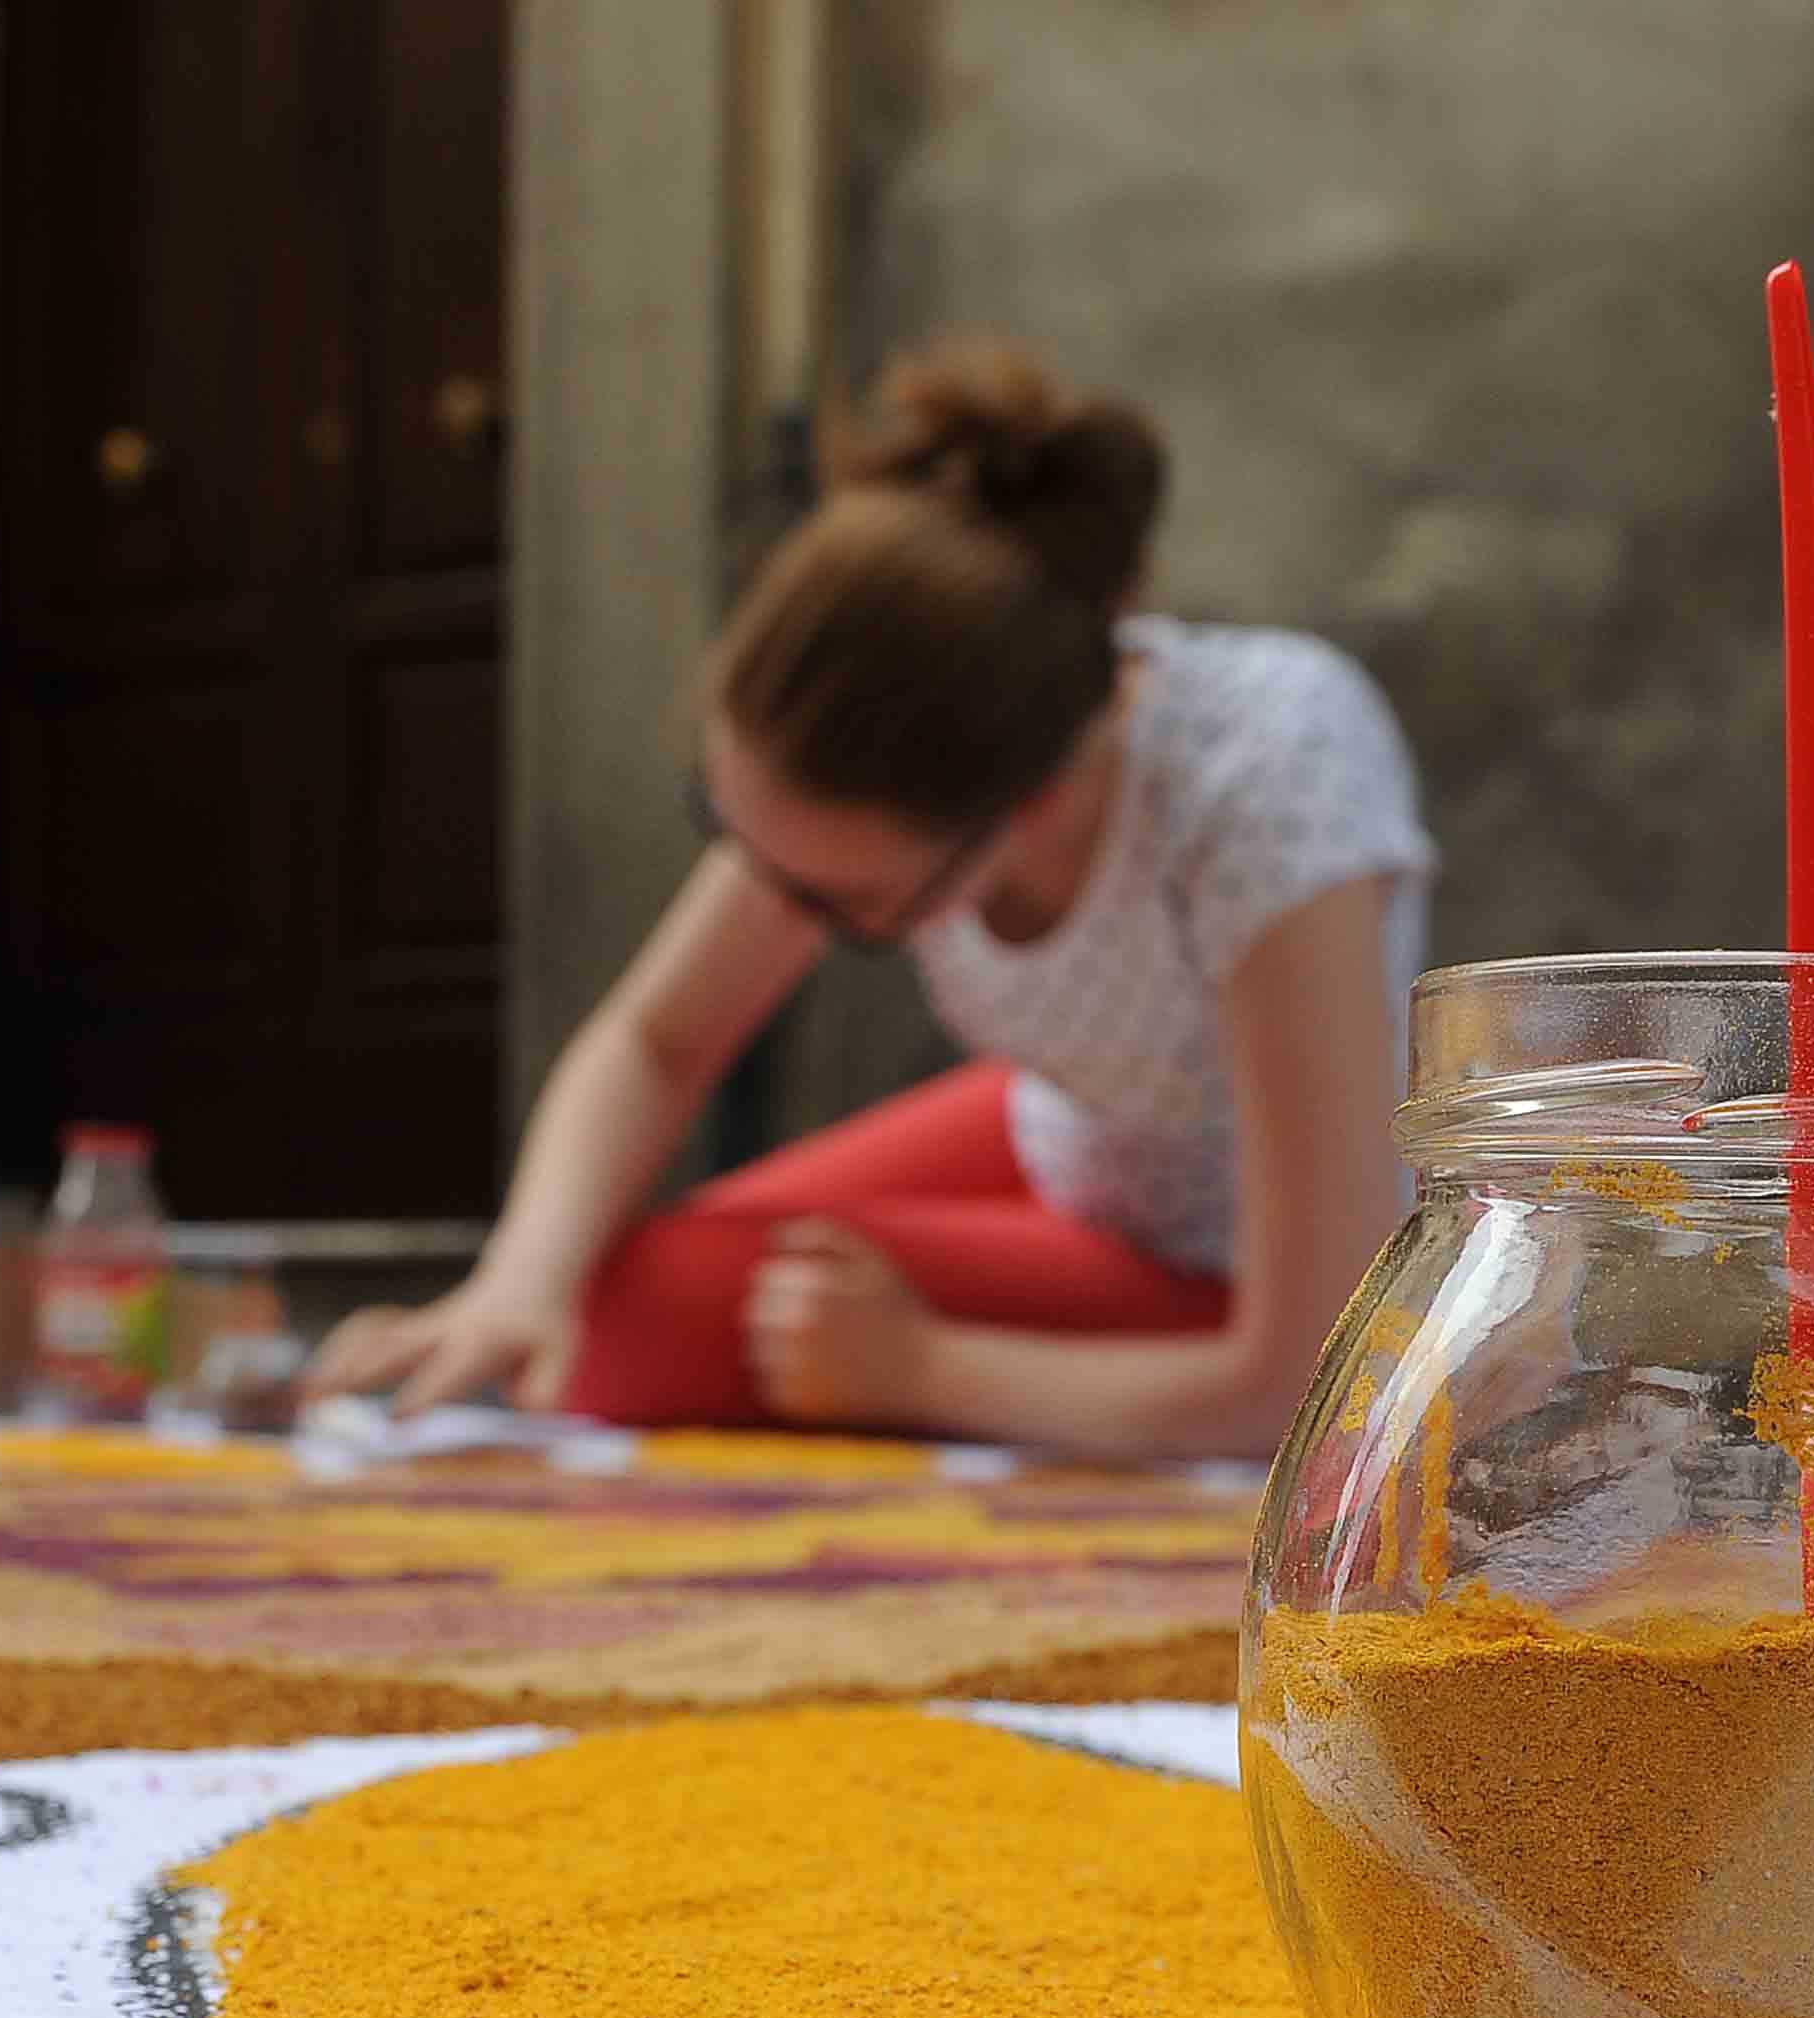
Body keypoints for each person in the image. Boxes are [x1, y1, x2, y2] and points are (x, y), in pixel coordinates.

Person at [303, 337, 1435, 1464]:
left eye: (838, 902)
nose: (778, 904)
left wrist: (922, 1367)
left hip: (1232, 1255)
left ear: (1028, 803)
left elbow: (1317, 1375)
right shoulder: (883, 767)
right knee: (601, 1301)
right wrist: (516, 1282)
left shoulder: (1261, 777)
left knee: (668, 1329)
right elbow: (655, 1040)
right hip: (1072, 1129)